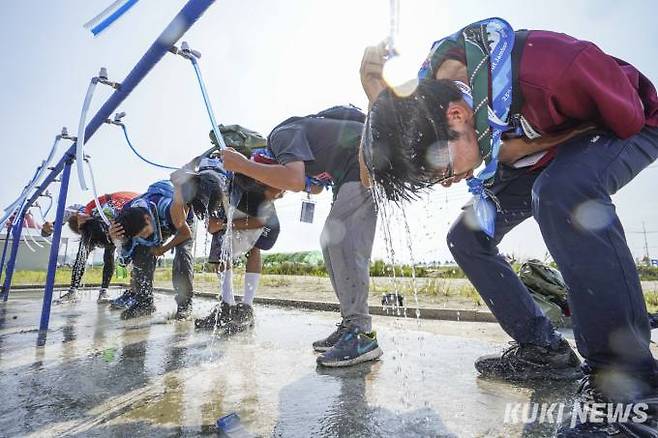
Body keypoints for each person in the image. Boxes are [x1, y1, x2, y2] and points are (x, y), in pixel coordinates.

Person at [360, 18, 658, 434]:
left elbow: (627, 117)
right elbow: (387, 140)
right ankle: (543, 350)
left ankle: (632, 385)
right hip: (527, 152)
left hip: (630, 116)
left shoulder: (555, 69)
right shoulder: (428, 96)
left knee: (561, 192)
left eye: (443, 169)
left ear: (460, 114)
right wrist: (371, 89)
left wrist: (531, 143)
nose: (449, 181)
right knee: (466, 236)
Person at [221, 106, 382, 368]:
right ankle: (352, 325)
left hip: (365, 161)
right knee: (330, 242)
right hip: (354, 168)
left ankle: (362, 334)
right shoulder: (295, 151)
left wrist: (242, 165)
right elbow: (313, 187)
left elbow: (293, 180)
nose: (280, 194)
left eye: (271, 191)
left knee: (343, 243)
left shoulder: (280, 136)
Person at [110, 171, 225, 320]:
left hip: (181, 222)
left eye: (144, 232)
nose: (144, 236)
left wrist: (163, 248)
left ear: (147, 218)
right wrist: (115, 236)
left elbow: (185, 233)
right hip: (160, 217)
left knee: (183, 253)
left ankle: (185, 304)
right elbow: (124, 250)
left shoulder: (167, 207)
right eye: (140, 235)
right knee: (141, 253)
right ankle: (144, 302)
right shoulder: (127, 217)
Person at [194, 173, 283, 332]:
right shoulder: (208, 189)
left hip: (265, 226)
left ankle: (246, 309)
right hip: (236, 215)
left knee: (254, 248)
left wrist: (222, 223)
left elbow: (261, 221)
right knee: (219, 246)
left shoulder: (246, 188)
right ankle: (227, 307)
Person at [46, 193, 138, 303]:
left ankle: (104, 291)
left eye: (81, 227)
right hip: (100, 227)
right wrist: (48, 228)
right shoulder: (76, 211)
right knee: (81, 255)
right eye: (80, 230)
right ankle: (73, 290)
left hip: (111, 227)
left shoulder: (113, 218)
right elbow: (49, 228)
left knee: (109, 255)